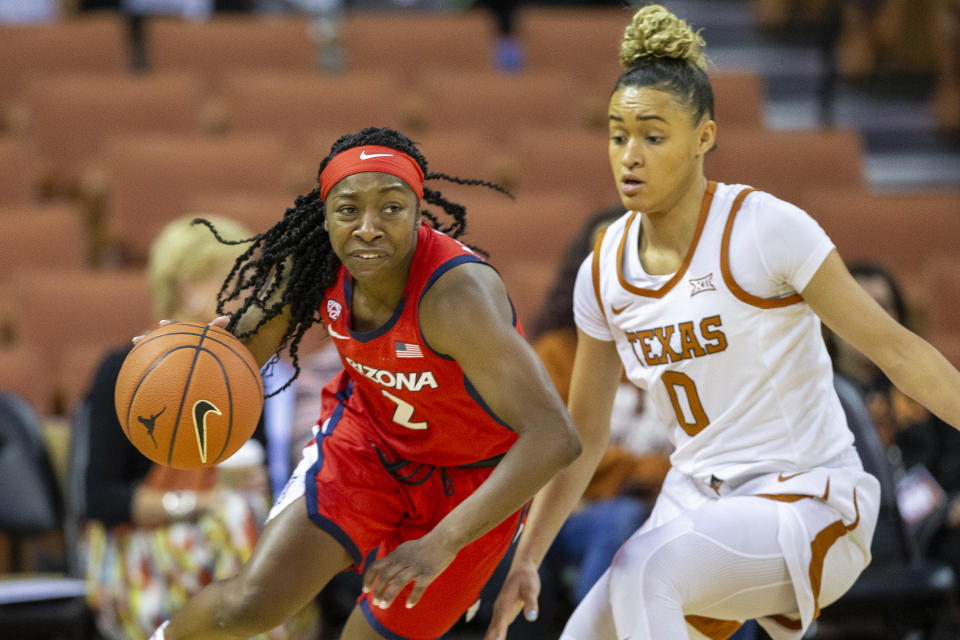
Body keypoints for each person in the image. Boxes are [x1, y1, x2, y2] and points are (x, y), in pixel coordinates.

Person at [485, 5, 960, 640]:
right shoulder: (602, 270)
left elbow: (899, 353)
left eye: (652, 136)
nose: (629, 155)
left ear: (705, 136)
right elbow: (584, 437)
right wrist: (528, 558)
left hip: (813, 497)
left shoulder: (764, 229)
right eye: (616, 134)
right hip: (699, 500)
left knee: (645, 570)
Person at [145, 126, 581, 640]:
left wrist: (442, 541)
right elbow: (239, 356)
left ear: (419, 212)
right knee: (250, 603)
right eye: (349, 209)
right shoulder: (313, 264)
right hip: (366, 445)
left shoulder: (456, 296)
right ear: (326, 216)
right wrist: (185, 363)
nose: (368, 227)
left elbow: (556, 436)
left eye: (391, 208)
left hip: (469, 483)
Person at [83, 215, 320, 640]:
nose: (246, 296)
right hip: (142, 545)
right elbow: (101, 498)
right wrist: (198, 502)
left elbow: (256, 472)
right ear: (189, 285)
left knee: (251, 518)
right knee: (234, 521)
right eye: (232, 281)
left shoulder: (240, 370)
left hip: (224, 535)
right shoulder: (122, 370)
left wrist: (254, 482)